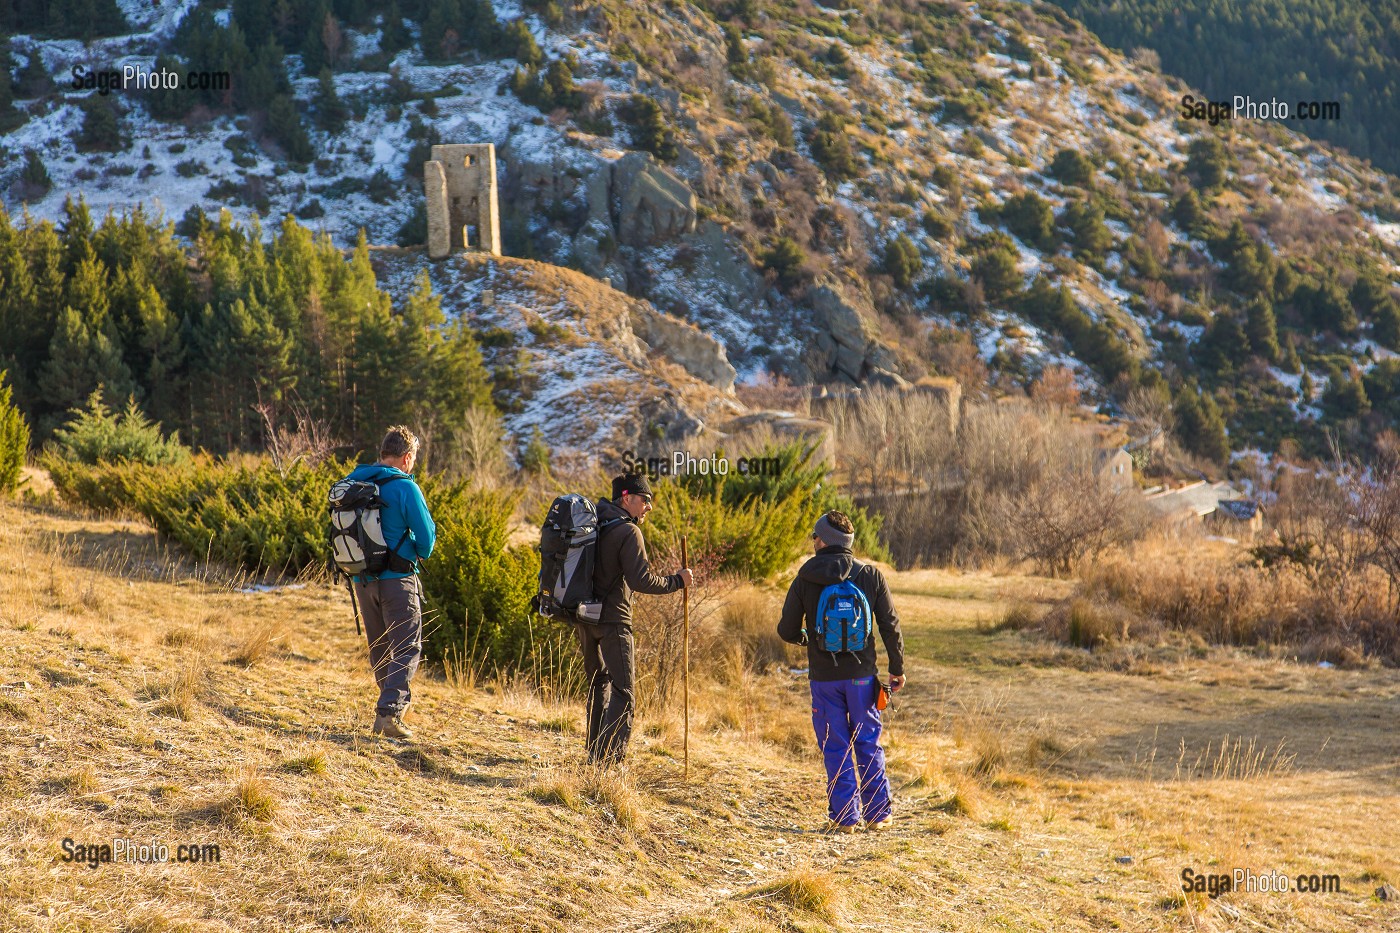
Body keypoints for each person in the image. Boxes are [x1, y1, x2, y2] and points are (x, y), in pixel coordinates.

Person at [778, 510, 905, 832]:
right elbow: (889, 624)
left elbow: (786, 629)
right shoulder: (870, 575)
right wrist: (896, 668)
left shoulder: (805, 577)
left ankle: (845, 818)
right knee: (868, 742)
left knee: (835, 744)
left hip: (824, 678)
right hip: (863, 676)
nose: (813, 541)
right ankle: (879, 815)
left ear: (824, 540)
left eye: (815, 535)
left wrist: (809, 639)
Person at [579, 472, 693, 766]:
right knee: (625, 692)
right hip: (615, 621)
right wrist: (677, 581)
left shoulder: (595, 524)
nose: (649, 507)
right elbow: (642, 580)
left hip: (586, 619)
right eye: (645, 500)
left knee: (598, 686)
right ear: (627, 498)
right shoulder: (629, 532)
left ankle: (594, 755)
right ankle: (607, 764)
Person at [344, 425, 436, 740]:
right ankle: (390, 713)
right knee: (407, 646)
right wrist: (412, 547)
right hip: (398, 580)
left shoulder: (356, 481)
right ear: (407, 458)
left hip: (362, 578)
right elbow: (426, 541)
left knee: (381, 648)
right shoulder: (405, 487)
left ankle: (389, 705)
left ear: (383, 452)